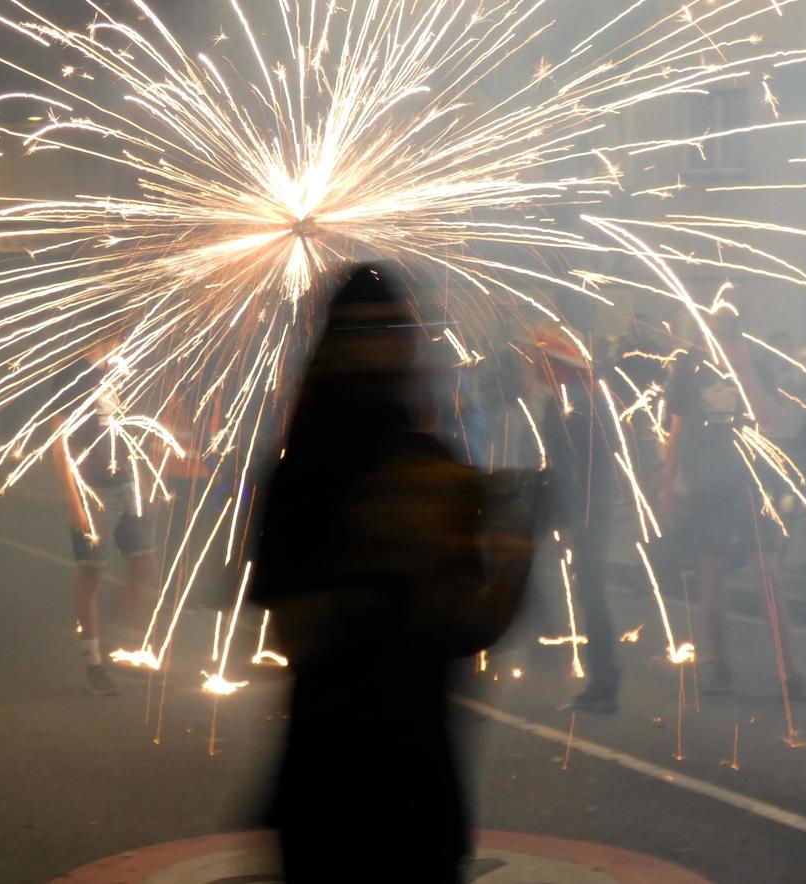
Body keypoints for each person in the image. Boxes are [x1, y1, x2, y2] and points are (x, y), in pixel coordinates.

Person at [253, 264, 533, 884]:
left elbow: (472, 626)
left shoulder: (426, 466)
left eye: (393, 330)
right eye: (367, 334)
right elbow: (300, 637)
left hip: (407, 793)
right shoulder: (305, 479)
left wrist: (514, 541)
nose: (382, 348)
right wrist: (393, 557)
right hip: (339, 791)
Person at [657, 327, 806, 700]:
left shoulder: (752, 368)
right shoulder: (686, 373)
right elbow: (676, 435)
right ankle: (719, 666)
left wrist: (745, 373)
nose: (724, 346)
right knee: (712, 575)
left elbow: (767, 419)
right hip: (708, 489)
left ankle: (789, 674)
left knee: (768, 575)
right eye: (719, 338)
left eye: (731, 339)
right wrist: (665, 486)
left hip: (751, 488)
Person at [50, 336, 158, 696]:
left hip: (126, 486)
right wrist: (73, 500)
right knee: (91, 573)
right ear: (106, 336)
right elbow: (58, 440)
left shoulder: (118, 371)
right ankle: (94, 662)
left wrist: (141, 479)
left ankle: (127, 647)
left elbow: (126, 427)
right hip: (93, 491)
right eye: (120, 338)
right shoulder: (71, 377)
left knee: (142, 567)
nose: (124, 345)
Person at [532, 324, 622, 713]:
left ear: (557, 366)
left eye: (542, 361)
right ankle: (602, 679)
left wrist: (567, 522)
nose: (535, 366)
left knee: (591, 592)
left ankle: (604, 682)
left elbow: (566, 467)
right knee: (590, 591)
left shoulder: (566, 404)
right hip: (597, 506)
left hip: (582, 509)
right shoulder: (592, 397)